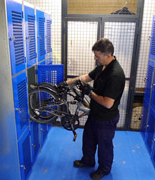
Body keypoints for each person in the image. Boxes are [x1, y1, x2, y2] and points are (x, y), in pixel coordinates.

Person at [64, 38, 125, 180]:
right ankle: (88, 161)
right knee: (88, 139)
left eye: (97, 56)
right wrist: (66, 83)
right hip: (95, 113)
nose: (95, 58)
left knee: (104, 146)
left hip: (106, 118)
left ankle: (104, 170)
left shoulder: (115, 75)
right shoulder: (101, 67)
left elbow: (108, 103)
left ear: (108, 55)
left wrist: (89, 92)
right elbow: (86, 77)